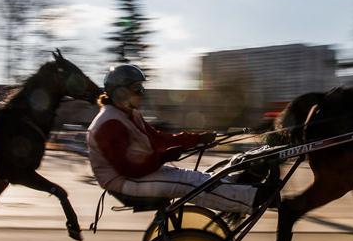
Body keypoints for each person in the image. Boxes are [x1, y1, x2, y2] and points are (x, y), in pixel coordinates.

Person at [87, 65, 278, 214]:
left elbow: (158, 139)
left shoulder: (129, 114)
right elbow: (127, 168)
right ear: (121, 93)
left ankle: (240, 187)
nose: (142, 93)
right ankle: (253, 198)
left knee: (195, 178)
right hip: (124, 182)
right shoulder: (109, 123)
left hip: (139, 173)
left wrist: (198, 139)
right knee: (189, 184)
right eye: (138, 89)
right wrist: (163, 157)